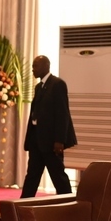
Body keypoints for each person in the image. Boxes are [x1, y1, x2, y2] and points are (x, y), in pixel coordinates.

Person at [21, 55, 77, 198]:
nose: (33, 69)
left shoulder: (57, 84)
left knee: (58, 175)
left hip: (51, 142)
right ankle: (22, 204)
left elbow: (62, 114)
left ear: (46, 66)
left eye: (35, 66)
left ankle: (68, 202)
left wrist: (60, 140)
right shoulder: (39, 87)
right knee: (32, 175)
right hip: (37, 141)